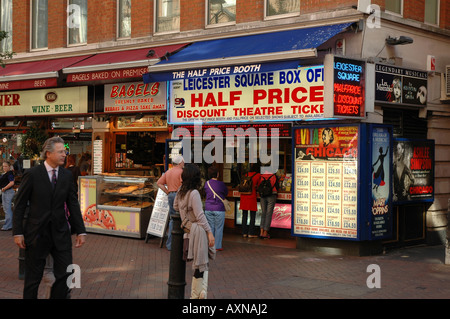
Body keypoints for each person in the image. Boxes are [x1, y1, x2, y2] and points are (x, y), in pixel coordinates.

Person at [12, 136, 86, 299]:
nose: (64, 154)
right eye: (60, 152)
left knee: (66, 274)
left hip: (61, 234)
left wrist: (80, 231)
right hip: (37, 234)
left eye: (64, 152)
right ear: (48, 153)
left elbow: (73, 204)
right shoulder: (32, 174)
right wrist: (18, 232)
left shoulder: (67, 176)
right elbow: (20, 205)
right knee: (33, 279)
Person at [174, 163, 215, 299]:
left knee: (199, 263)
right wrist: (209, 232)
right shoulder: (194, 193)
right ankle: (197, 295)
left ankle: (200, 293)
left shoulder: (181, 191)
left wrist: (184, 213)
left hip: (187, 232)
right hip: (198, 232)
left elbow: (175, 206)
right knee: (201, 264)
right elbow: (200, 215)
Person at [157, 154, 184, 251]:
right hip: (178, 195)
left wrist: (167, 191)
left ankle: (170, 244)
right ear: (180, 162)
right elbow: (183, 185)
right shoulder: (181, 172)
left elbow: (159, 183)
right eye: (183, 162)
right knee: (181, 218)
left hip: (171, 195)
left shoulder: (168, 172)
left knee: (173, 219)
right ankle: (179, 244)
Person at [204, 165, 228, 251]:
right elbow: (226, 193)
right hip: (219, 208)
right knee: (219, 228)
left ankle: (211, 245)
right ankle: (217, 246)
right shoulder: (221, 184)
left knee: (210, 227)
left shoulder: (206, 184)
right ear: (217, 174)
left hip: (208, 207)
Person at [239, 163, 260, 238]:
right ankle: (251, 233)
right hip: (251, 196)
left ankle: (244, 232)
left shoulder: (246, 174)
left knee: (244, 215)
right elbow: (259, 186)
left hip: (244, 196)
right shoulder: (258, 175)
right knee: (252, 215)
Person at [259, 168, 278, 239]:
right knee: (268, 214)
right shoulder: (273, 176)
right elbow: (277, 186)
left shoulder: (262, 176)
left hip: (262, 196)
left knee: (263, 213)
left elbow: (259, 186)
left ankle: (261, 231)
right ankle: (265, 232)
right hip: (271, 195)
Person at [0, 161, 15, 231]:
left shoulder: (9, 173)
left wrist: (4, 188)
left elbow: (12, 183)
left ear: (9, 166)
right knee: (6, 209)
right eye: (3, 166)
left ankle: (8, 226)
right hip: (5, 192)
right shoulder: (5, 173)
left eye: (6, 166)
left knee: (7, 209)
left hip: (7, 192)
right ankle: (9, 224)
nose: (4, 168)